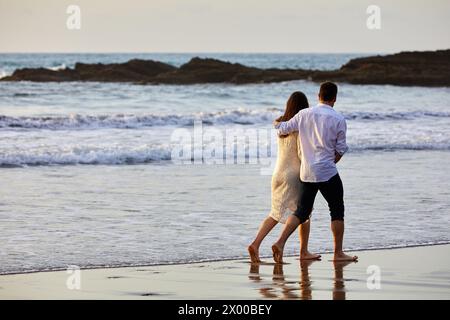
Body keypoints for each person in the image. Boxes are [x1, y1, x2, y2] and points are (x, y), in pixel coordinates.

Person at [272, 82, 358, 263]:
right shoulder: (339, 119)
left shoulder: (303, 114)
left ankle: (280, 242)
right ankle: (338, 253)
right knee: (336, 210)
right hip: (327, 172)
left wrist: (278, 123)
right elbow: (340, 150)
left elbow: (281, 129)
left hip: (306, 172)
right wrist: (328, 163)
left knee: (302, 211)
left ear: (318, 95)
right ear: (334, 98)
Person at [248, 91, 321, 263]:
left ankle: (255, 244)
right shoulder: (302, 126)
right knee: (305, 212)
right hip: (295, 175)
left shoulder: (280, 124)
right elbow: (302, 153)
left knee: (275, 213)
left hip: (278, 173)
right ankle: (302, 251)